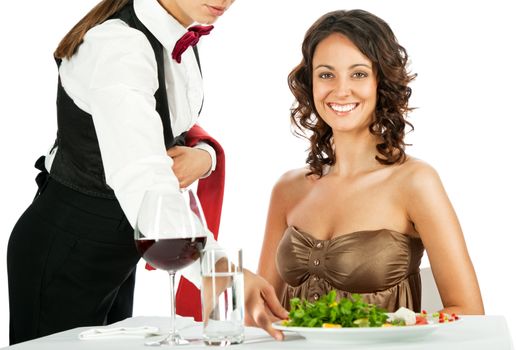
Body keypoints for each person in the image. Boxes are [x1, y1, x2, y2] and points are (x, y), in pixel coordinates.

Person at [7, 0, 287, 345]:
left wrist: (205, 155)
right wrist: (222, 274)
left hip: (119, 251)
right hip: (67, 251)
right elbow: (144, 179)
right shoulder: (119, 47)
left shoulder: (173, 31)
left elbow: (165, 128)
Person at [257, 9, 484, 315]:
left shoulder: (415, 181)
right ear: (310, 83)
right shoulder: (288, 188)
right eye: (326, 74)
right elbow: (258, 309)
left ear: (381, 82)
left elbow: (468, 311)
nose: (340, 90)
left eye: (359, 74)